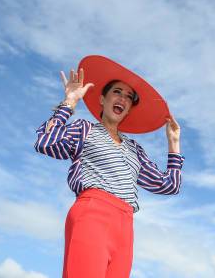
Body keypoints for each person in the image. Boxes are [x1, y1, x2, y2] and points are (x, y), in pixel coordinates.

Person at [34, 55, 184, 278]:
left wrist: (173, 143)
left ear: (129, 109)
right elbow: (45, 143)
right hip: (92, 212)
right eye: (117, 92)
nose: (123, 99)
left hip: (125, 223)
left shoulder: (135, 150)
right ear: (102, 100)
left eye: (129, 97)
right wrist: (69, 103)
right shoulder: (85, 129)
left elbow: (170, 185)